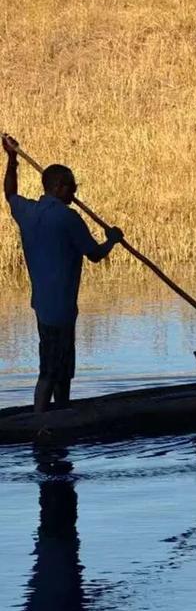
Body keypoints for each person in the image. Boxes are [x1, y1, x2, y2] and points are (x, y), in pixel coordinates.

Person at [2, 134, 124, 412]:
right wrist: (113, 240)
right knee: (52, 369)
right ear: (58, 187)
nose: (75, 192)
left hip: (43, 305)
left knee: (59, 365)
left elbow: (9, 193)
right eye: (71, 187)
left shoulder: (28, 211)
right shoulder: (68, 218)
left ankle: (60, 414)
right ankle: (43, 420)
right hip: (61, 308)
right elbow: (94, 255)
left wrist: (12, 161)